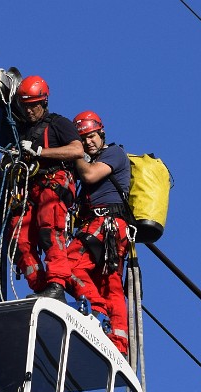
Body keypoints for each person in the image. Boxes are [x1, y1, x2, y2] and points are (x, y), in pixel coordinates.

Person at [8, 75, 84, 301]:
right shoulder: (22, 130)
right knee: (18, 238)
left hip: (54, 181)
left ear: (43, 103)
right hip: (30, 188)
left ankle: (56, 284)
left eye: (33, 106)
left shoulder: (58, 124)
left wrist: (40, 152)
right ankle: (40, 286)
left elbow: (77, 150)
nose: (29, 111)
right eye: (26, 106)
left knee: (49, 228)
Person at [67, 110, 132, 355]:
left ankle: (97, 310)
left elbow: (90, 174)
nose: (88, 142)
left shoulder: (114, 153)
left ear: (101, 133)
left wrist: (73, 152)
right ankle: (118, 342)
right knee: (111, 284)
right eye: (83, 139)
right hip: (109, 227)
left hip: (106, 222)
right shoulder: (88, 163)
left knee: (70, 266)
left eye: (92, 136)